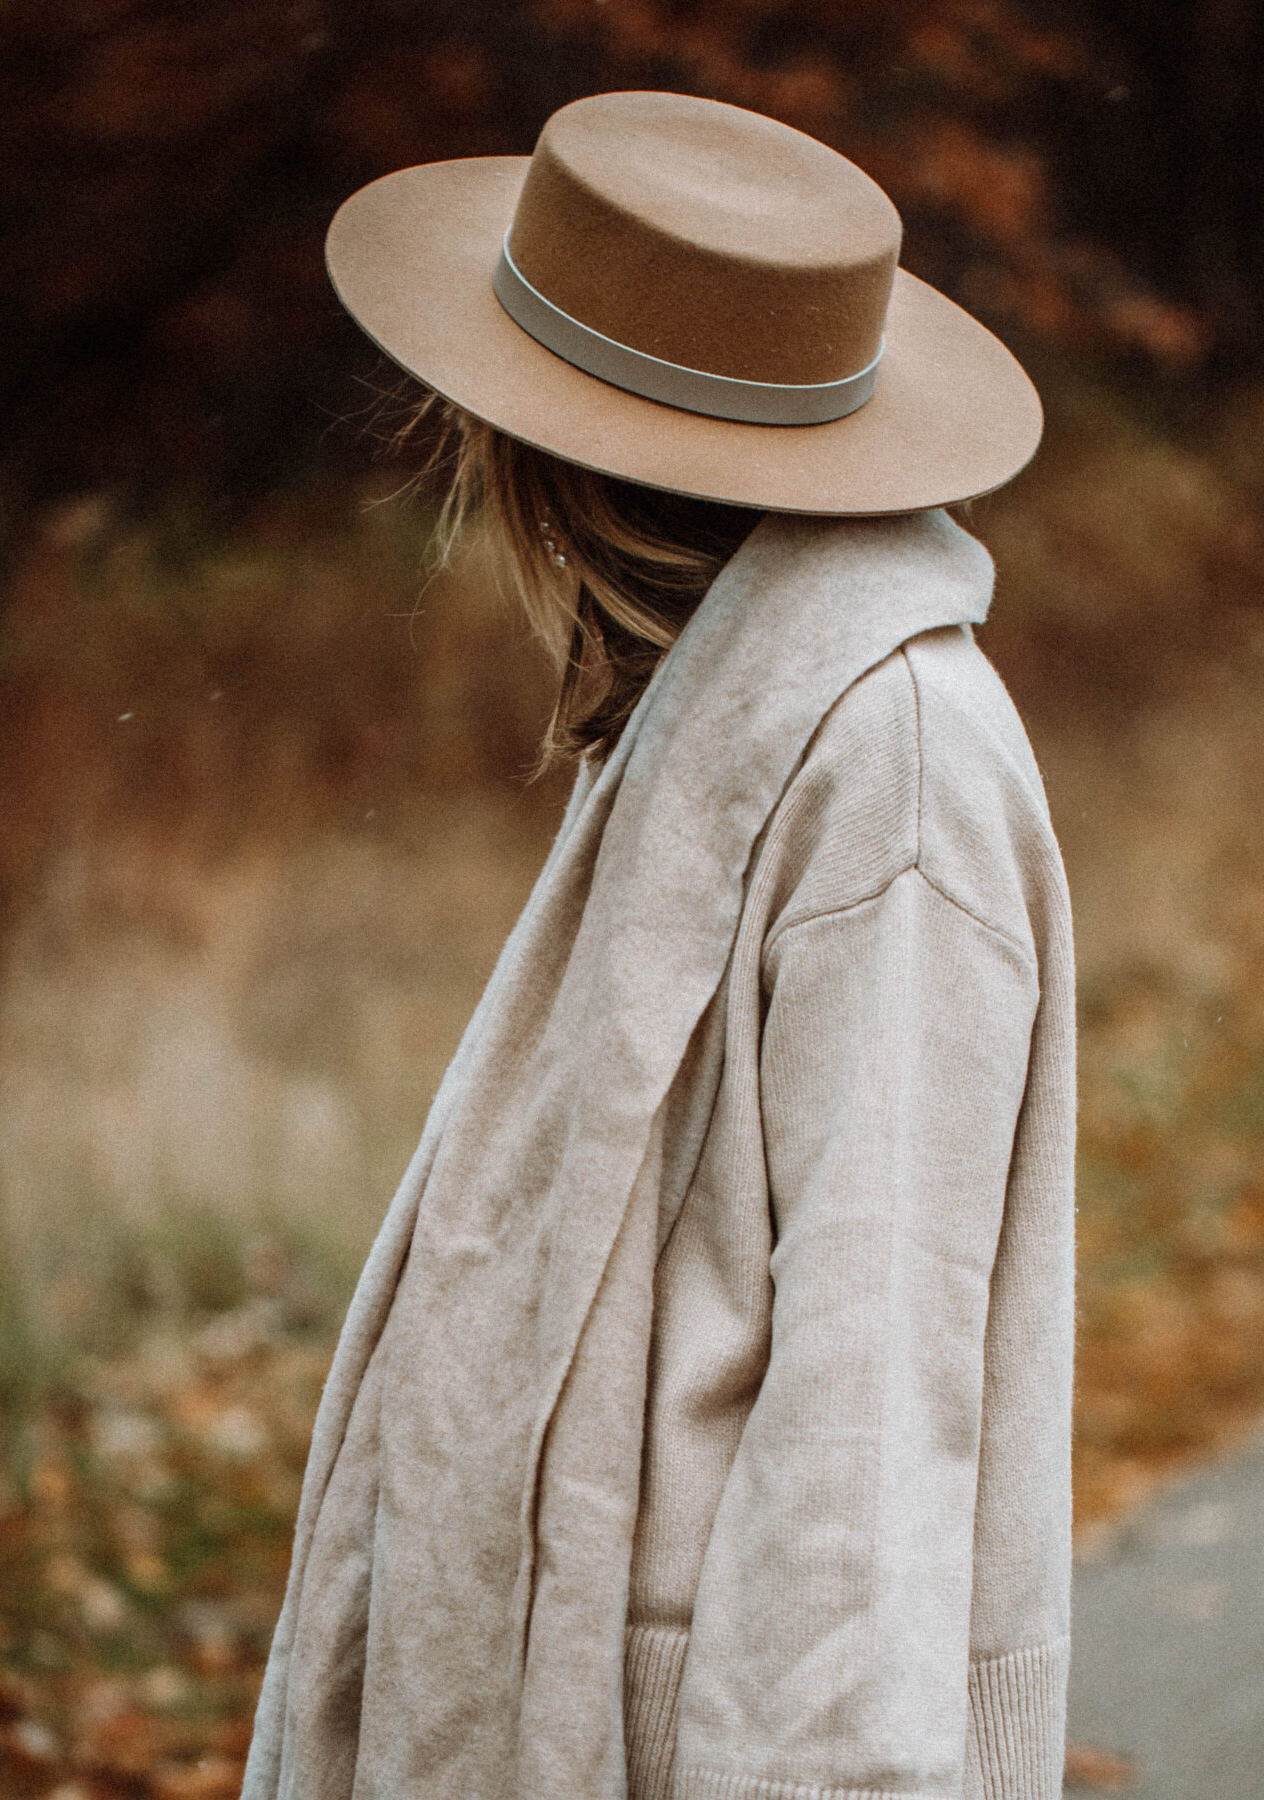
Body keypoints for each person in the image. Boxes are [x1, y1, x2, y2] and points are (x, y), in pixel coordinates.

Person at [242, 90, 1075, 1800]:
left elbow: (872, 1391)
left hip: (697, 1747)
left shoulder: (890, 759)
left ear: (542, 453)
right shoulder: (717, 715)